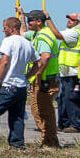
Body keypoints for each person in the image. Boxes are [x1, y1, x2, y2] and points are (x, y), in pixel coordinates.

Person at [0, 16, 36, 150]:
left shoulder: (8, 41)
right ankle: (17, 144)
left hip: (8, 84)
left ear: (11, 29)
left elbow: (5, 61)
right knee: (17, 115)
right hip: (21, 86)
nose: (3, 30)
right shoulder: (27, 43)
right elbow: (38, 63)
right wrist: (27, 77)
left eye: (5, 27)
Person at [23, 10, 61, 148]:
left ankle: (50, 141)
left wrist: (38, 74)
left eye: (30, 20)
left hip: (45, 80)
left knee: (44, 111)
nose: (28, 23)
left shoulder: (43, 36)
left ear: (39, 22)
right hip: (41, 79)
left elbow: (45, 57)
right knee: (37, 110)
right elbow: (22, 32)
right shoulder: (37, 34)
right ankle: (48, 138)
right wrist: (21, 15)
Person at [58, 12, 80, 132]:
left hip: (74, 72)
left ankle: (76, 125)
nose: (69, 20)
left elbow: (57, 34)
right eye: (69, 18)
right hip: (66, 71)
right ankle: (64, 123)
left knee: (73, 98)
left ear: (79, 23)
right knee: (64, 98)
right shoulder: (70, 32)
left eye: (72, 19)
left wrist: (48, 19)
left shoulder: (76, 32)